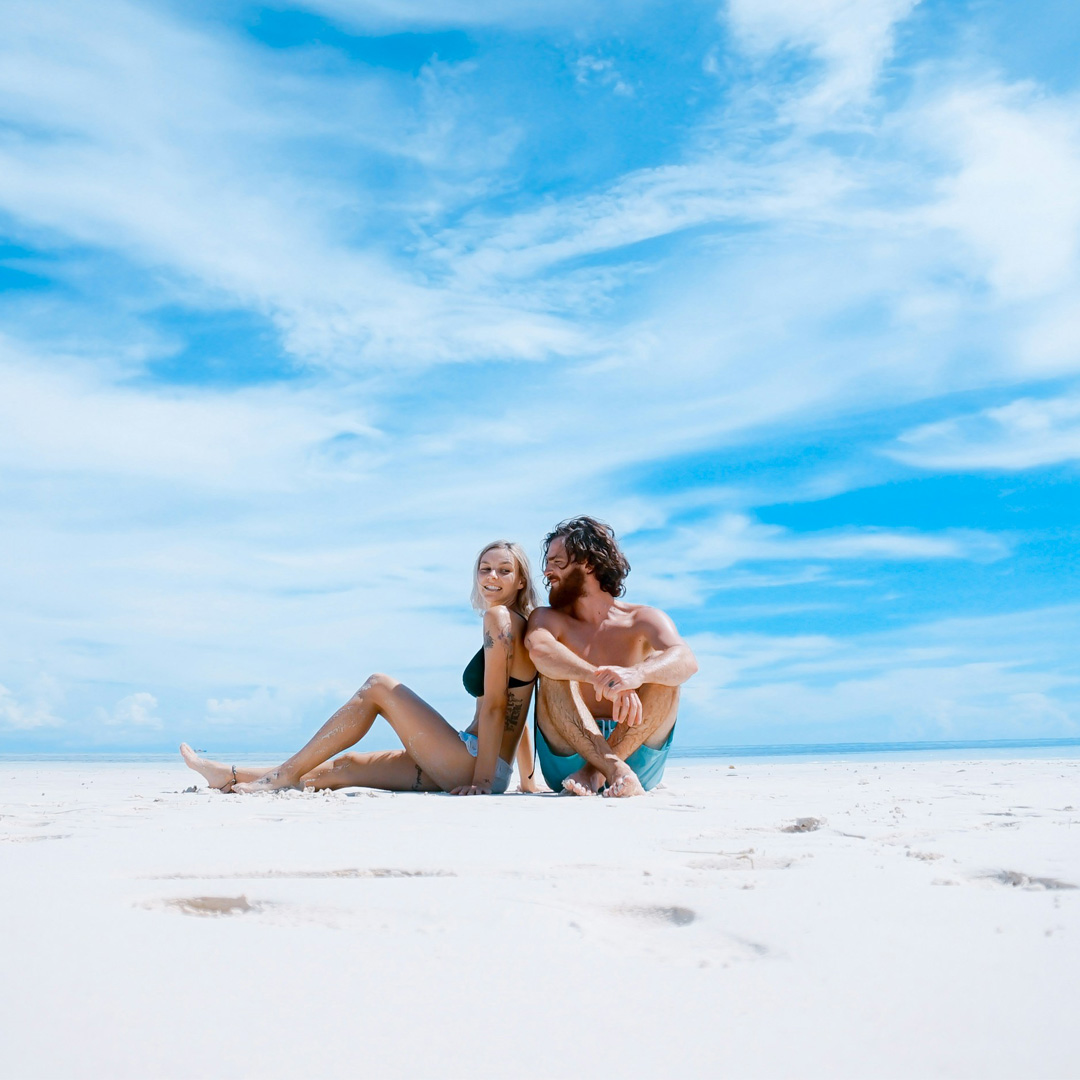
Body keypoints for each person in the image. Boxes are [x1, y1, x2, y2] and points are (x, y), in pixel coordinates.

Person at [180, 541, 540, 796]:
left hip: (475, 763)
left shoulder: (499, 619)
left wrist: (481, 782)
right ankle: (226, 775)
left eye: (504, 570)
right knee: (346, 767)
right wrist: (521, 779)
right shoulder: (521, 626)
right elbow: (518, 708)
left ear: (520, 580)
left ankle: (283, 775)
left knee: (378, 686)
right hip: (485, 763)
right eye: (485, 568)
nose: (492, 576)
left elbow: (495, 707)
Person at [525, 517, 697, 797]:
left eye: (557, 562)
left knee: (665, 671)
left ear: (589, 565)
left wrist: (637, 674)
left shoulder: (643, 618)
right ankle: (610, 768)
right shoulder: (547, 618)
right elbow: (539, 650)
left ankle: (596, 772)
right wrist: (603, 679)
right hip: (568, 753)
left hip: (635, 751)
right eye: (547, 563)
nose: (546, 572)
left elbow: (686, 660)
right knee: (554, 671)